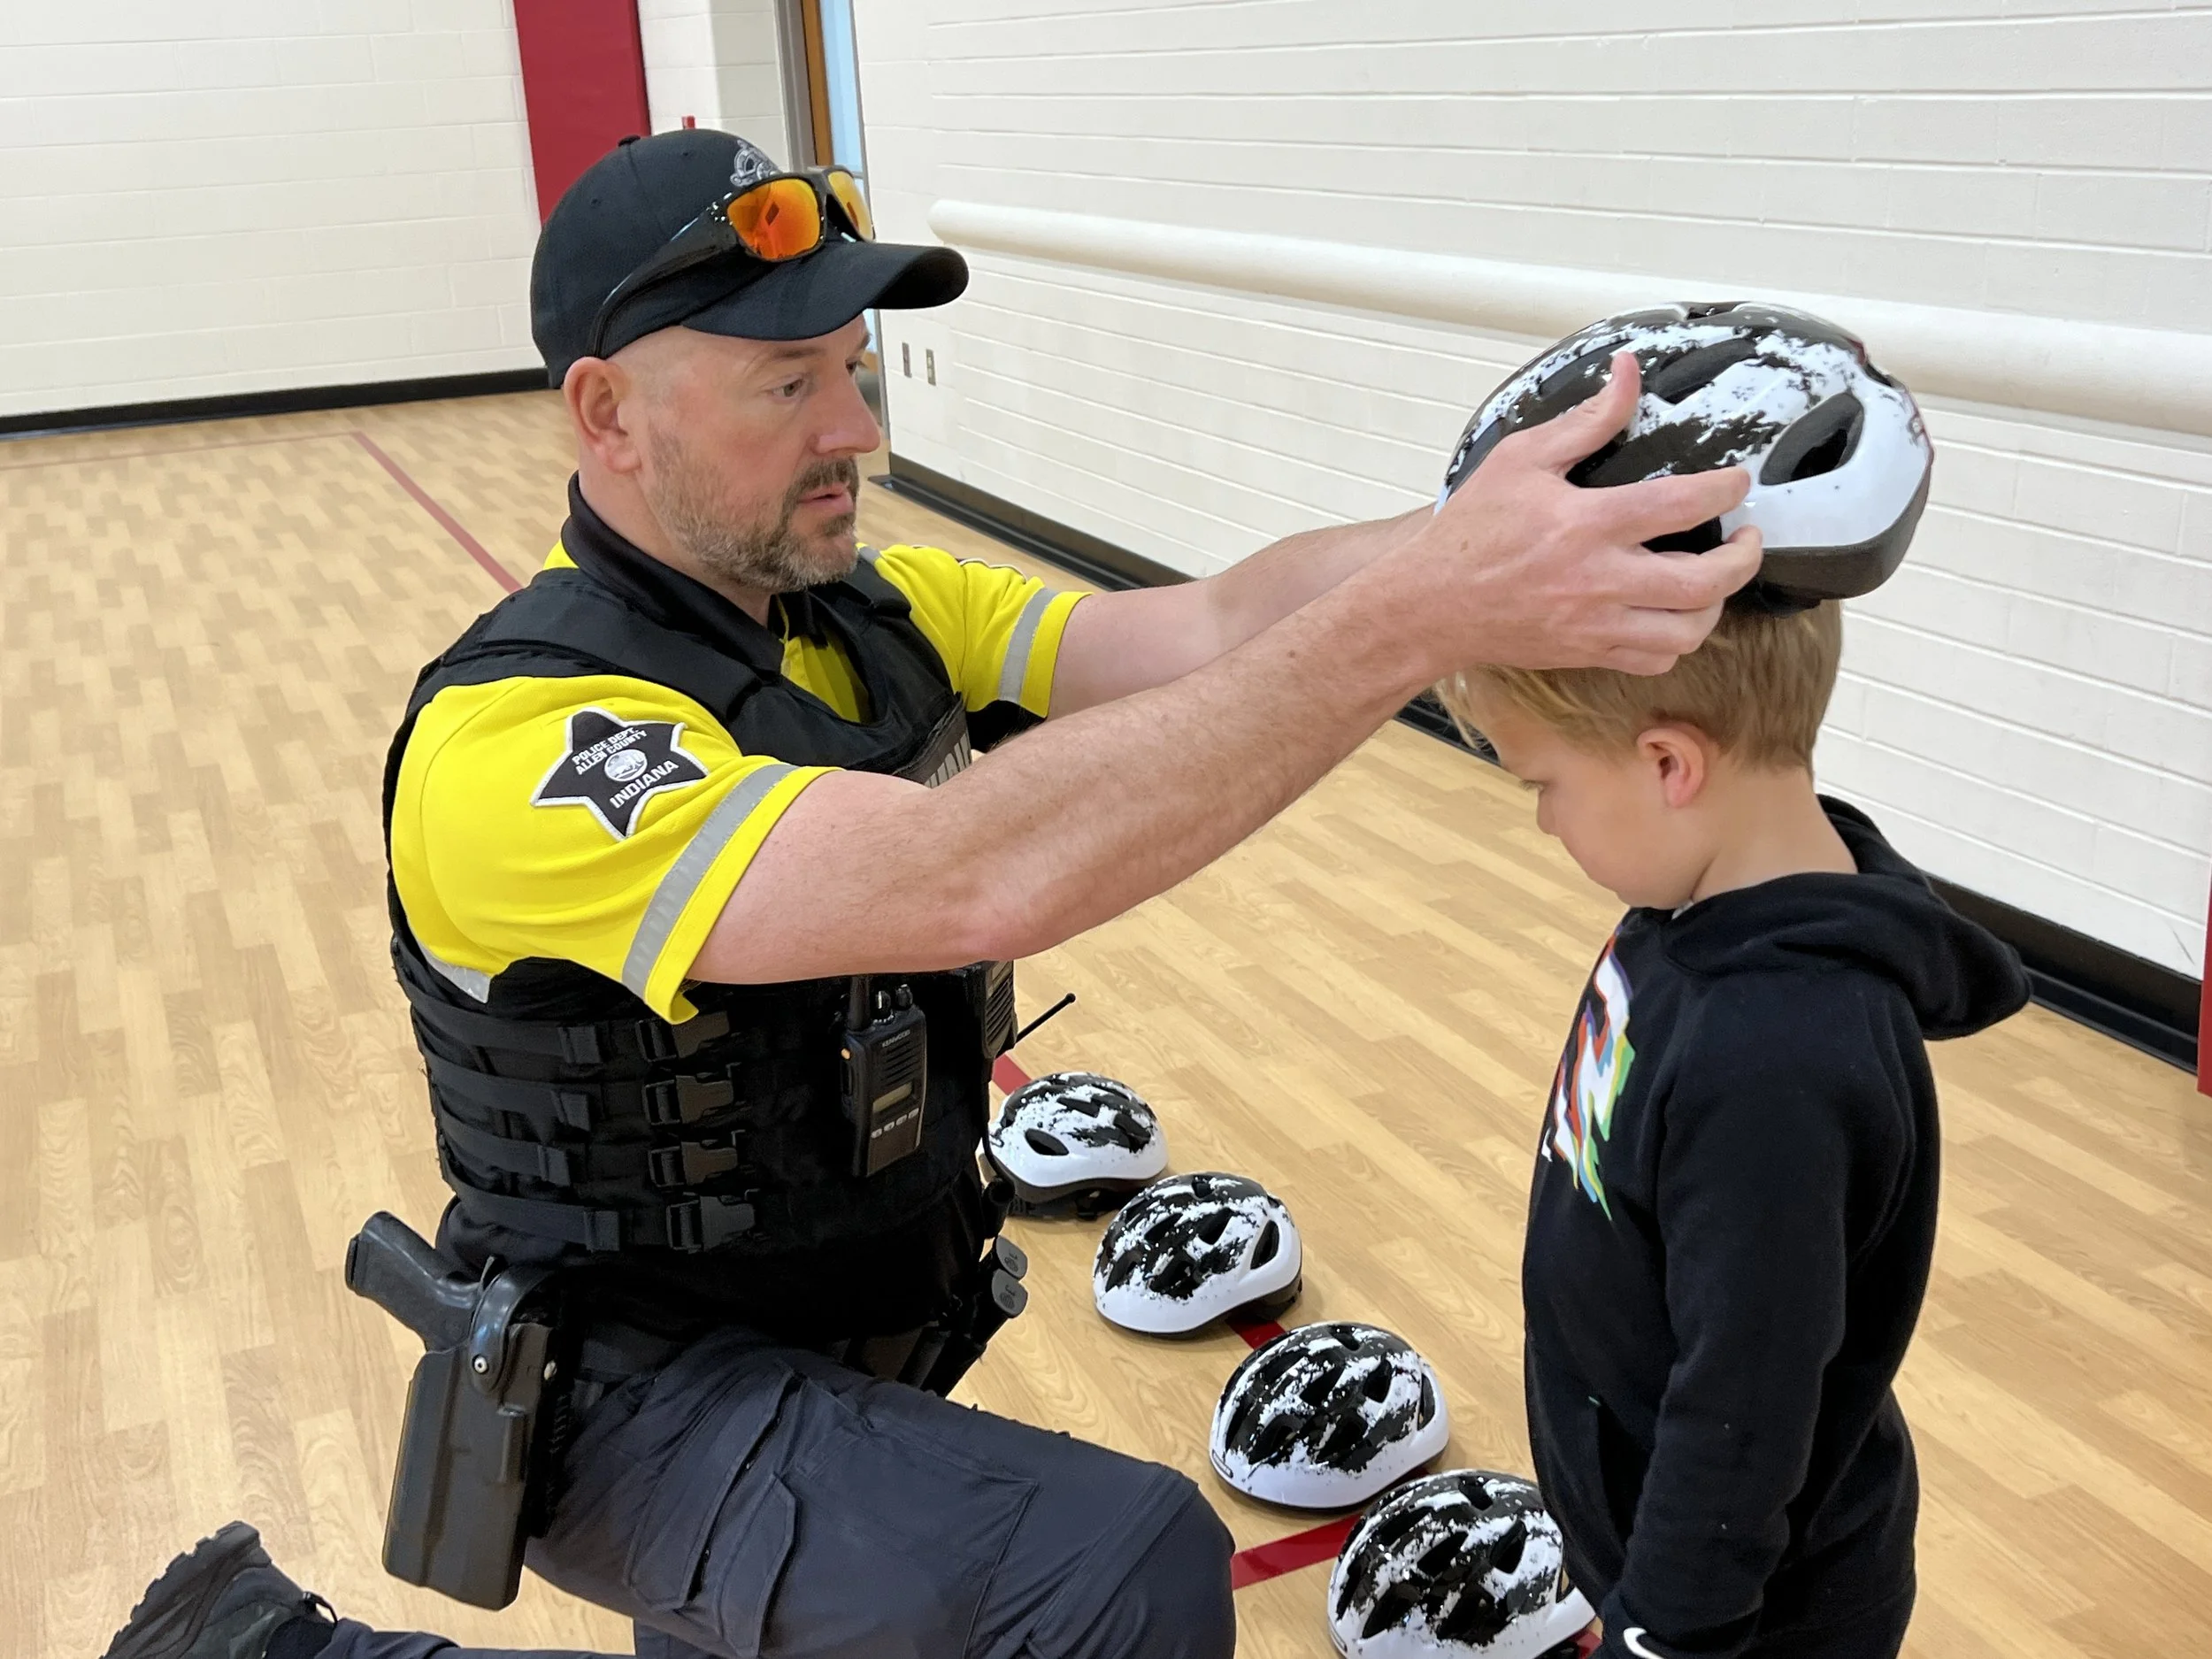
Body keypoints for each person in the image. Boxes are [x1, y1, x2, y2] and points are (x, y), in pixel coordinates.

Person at [103, 127, 1757, 1659]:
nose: (859, 432)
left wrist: (1471, 536)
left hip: (850, 1323)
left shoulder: (859, 613)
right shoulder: (521, 745)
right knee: (1112, 1569)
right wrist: (1422, 620)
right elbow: (978, 873)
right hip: (639, 1395)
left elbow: (1196, 635)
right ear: (607, 416)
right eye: (784, 387)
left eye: (853, 369)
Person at [1439, 603, 2030, 1657]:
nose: (1542, 823)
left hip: (1753, 1616)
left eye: (1545, 787)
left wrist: (1664, 1629)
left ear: (1669, 763)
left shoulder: (1775, 1062)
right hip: (1663, 1549)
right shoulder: (1691, 904)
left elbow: (1742, 1405)